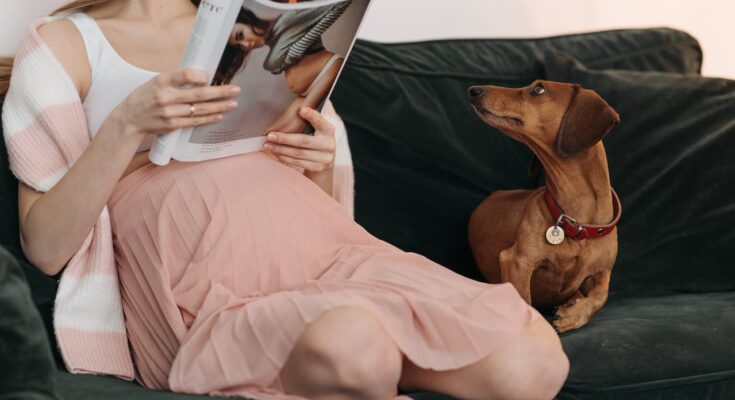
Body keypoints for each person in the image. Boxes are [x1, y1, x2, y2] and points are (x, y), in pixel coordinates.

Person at [1, 1, 569, 399]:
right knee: (354, 345)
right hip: (212, 289)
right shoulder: (62, 43)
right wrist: (125, 125)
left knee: (536, 361)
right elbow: (46, 247)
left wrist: (315, 159)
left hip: (332, 253)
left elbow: (319, 195)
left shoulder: (256, 30)